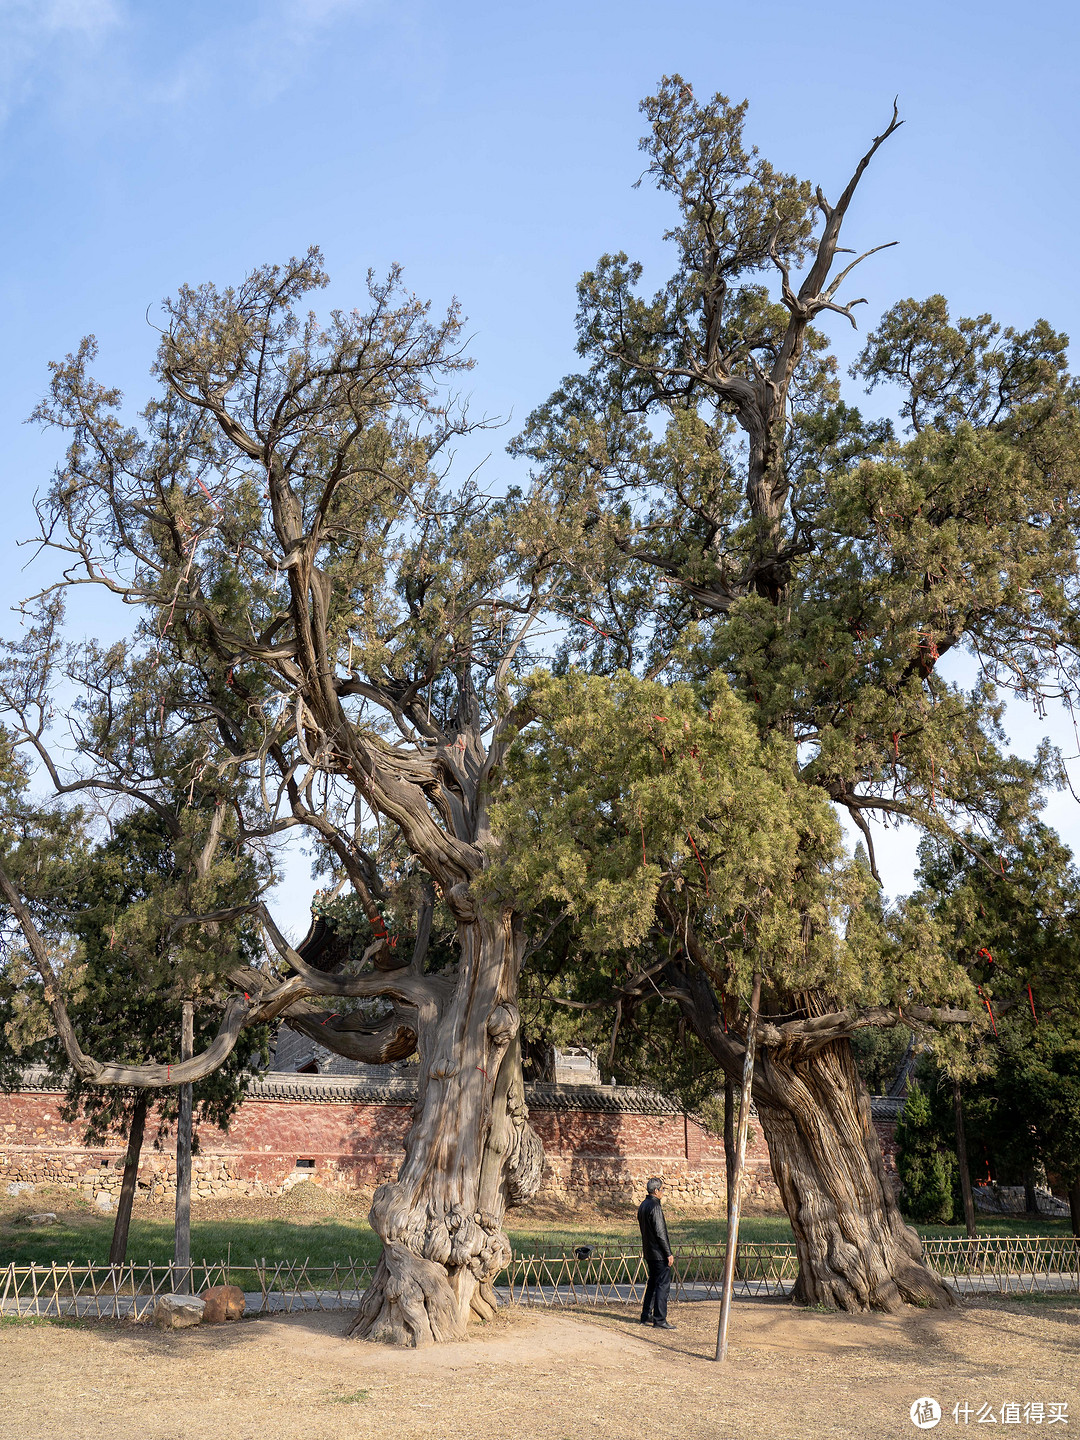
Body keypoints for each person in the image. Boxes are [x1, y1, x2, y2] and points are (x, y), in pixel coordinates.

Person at [637, 1176, 675, 1329]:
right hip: (659, 1253)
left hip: (649, 1251)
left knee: (652, 1284)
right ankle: (659, 1319)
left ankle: (646, 1315)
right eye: (662, 1190)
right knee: (662, 1286)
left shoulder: (643, 1205)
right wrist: (668, 1253)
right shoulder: (655, 1207)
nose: (663, 1193)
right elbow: (660, 1233)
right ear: (656, 1190)